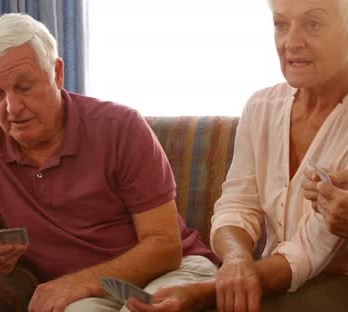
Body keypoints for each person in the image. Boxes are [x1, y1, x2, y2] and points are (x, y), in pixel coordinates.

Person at [0, 13, 220, 312]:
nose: (12, 108)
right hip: (87, 292)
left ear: (57, 73)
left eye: (24, 87)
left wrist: (78, 283)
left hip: (173, 272)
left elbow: (166, 247)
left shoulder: (121, 127)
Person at [124, 0, 348, 311]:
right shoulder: (261, 106)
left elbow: (309, 252)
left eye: (313, 24)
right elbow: (237, 203)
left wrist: (200, 293)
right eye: (281, 25)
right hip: (270, 276)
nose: (291, 42)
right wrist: (236, 258)